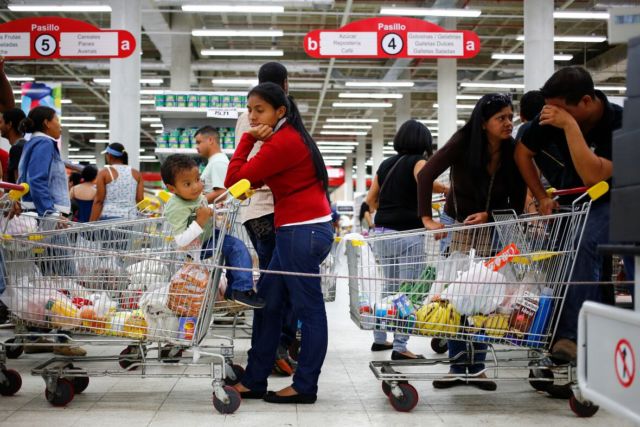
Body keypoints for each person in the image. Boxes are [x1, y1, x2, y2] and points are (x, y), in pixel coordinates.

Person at [225, 82, 333, 404]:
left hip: (301, 232)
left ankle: (305, 386)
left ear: (280, 111)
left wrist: (247, 139)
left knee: (309, 311)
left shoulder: (283, 142)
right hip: (299, 231)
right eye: (249, 110)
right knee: (269, 302)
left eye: (259, 110)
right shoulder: (290, 137)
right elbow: (248, 181)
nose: (252, 117)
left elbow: (234, 181)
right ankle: (255, 379)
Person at [418, 93, 527, 391]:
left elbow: (517, 199)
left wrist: (489, 215)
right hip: (461, 227)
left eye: (510, 117)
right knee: (457, 296)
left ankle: (477, 367)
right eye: (500, 118)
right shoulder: (463, 142)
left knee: (485, 297)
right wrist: (427, 218)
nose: (508, 123)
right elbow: (426, 174)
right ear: (483, 123)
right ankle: (456, 366)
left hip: (493, 228)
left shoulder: (512, 150)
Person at [515, 66, 623, 362]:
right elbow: (522, 152)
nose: (552, 114)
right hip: (575, 202)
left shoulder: (620, 123)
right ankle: (589, 338)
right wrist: (540, 196)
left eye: (561, 109)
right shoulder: (552, 115)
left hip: (618, 199)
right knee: (567, 261)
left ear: (586, 101)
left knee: (584, 244)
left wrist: (569, 126)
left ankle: (571, 336)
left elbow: (593, 176)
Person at [235, 62, 298, 376]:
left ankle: (265, 350)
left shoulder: (244, 117)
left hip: (251, 212)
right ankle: (275, 348)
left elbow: (240, 167)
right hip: (274, 208)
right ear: (284, 85)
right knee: (282, 285)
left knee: (271, 284)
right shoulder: (283, 116)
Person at [366, 119, 446, 360]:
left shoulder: (385, 164)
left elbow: (371, 200)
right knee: (409, 291)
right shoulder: (419, 162)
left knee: (389, 288)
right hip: (407, 235)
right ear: (424, 142)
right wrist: (447, 190)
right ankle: (400, 346)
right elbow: (426, 182)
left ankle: (380, 338)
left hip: (382, 234)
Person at [16, 106, 86, 357]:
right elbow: (36, 180)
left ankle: (35, 335)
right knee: (66, 276)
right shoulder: (44, 144)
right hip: (47, 218)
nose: (60, 125)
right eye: (57, 120)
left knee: (44, 280)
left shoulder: (33, 144)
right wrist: (51, 213)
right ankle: (63, 337)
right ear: (46, 122)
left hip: (37, 216)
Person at [160, 154, 264, 308]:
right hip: (194, 248)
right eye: (187, 184)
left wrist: (216, 215)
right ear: (172, 188)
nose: (196, 186)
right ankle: (240, 289)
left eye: (198, 179)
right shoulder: (176, 207)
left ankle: (236, 289)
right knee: (235, 247)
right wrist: (201, 220)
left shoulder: (196, 197)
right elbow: (181, 241)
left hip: (208, 236)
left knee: (236, 248)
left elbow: (203, 210)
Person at [89, 142, 144, 221]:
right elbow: (140, 199)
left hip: (109, 217)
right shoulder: (136, 174)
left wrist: (91, 223)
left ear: (110, 156)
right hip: (130, 218)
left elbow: (99, 201)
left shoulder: (104, 173)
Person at [0, 108, 27, 183]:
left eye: (1, 122)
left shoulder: (17, 148)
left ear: (9, 124)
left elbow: (18, 183)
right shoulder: (25, 145)